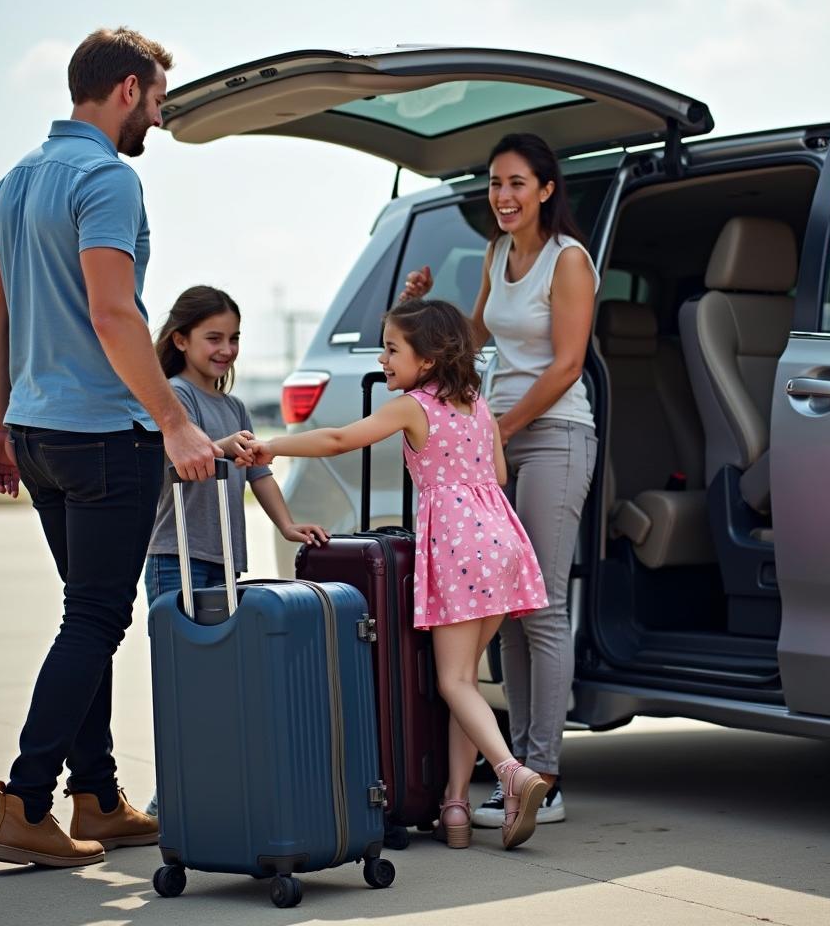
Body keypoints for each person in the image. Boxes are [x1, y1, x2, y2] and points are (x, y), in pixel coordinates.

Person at [0, 27, 221, 869]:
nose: (158, 116)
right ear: (125, 90)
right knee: (94, 619)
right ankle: (26, 801)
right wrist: (176, 419)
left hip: (41, 435)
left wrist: (1, 423)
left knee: (85, 616)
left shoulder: (14, 183)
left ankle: (96, 794)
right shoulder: (106, 178)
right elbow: (115, 313)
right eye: (156, 99)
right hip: (103, 436)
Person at [241, 298, 551, 850]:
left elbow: (338, 440)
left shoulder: (414, 407)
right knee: (468, 684)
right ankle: (454, 806)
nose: (383, 359)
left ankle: (512, 774)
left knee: (451, 681)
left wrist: (270, 445)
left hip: (459, 546)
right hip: (502, 540)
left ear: (427, 360)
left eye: (392, 349)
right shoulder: (477, 404)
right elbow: (499, 472)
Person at [399, 132, 599, 828]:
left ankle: (545, 772)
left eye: (517, 183)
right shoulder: (495, 255)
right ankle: (514, 774)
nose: (503, 196)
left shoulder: (568, 262)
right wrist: (419, 307)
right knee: (509, 603)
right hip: (498, 442)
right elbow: (472, 342)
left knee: (541, 607)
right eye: (495, 183)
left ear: (546, 189)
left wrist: (501, 430)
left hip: (554, 436)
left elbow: (567, 365)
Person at [143, 285, 329, 815]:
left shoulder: (234, 404)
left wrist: (288, 525)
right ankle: (171, 794)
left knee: (221, 681)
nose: (225, 349)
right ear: (180, 340)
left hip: (224, 559)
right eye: (213, 338)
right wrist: (224, 447)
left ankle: (211, 784)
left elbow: (261, 475)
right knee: (184, 679)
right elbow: (183, 458)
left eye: (234, 338)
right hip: (176, 556)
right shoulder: (176, 397)